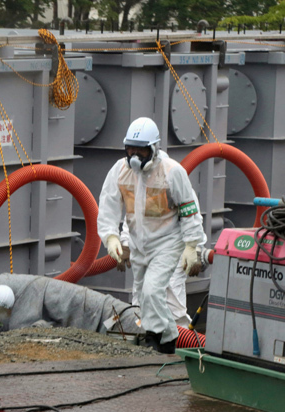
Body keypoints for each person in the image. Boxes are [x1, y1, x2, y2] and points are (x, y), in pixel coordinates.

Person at [97, 117, 205, 354]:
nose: (134, 155)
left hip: (168, 243)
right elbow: (110, 206)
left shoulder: (171, 172)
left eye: (141, 150)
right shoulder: (121, 171)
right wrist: (114, 239)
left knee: (153, 291)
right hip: (139, 246)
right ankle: (156, 337)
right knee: (142, 296)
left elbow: (189, 210)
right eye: (130, 149)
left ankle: (165, 339)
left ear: (154, 149)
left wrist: (193, 247)